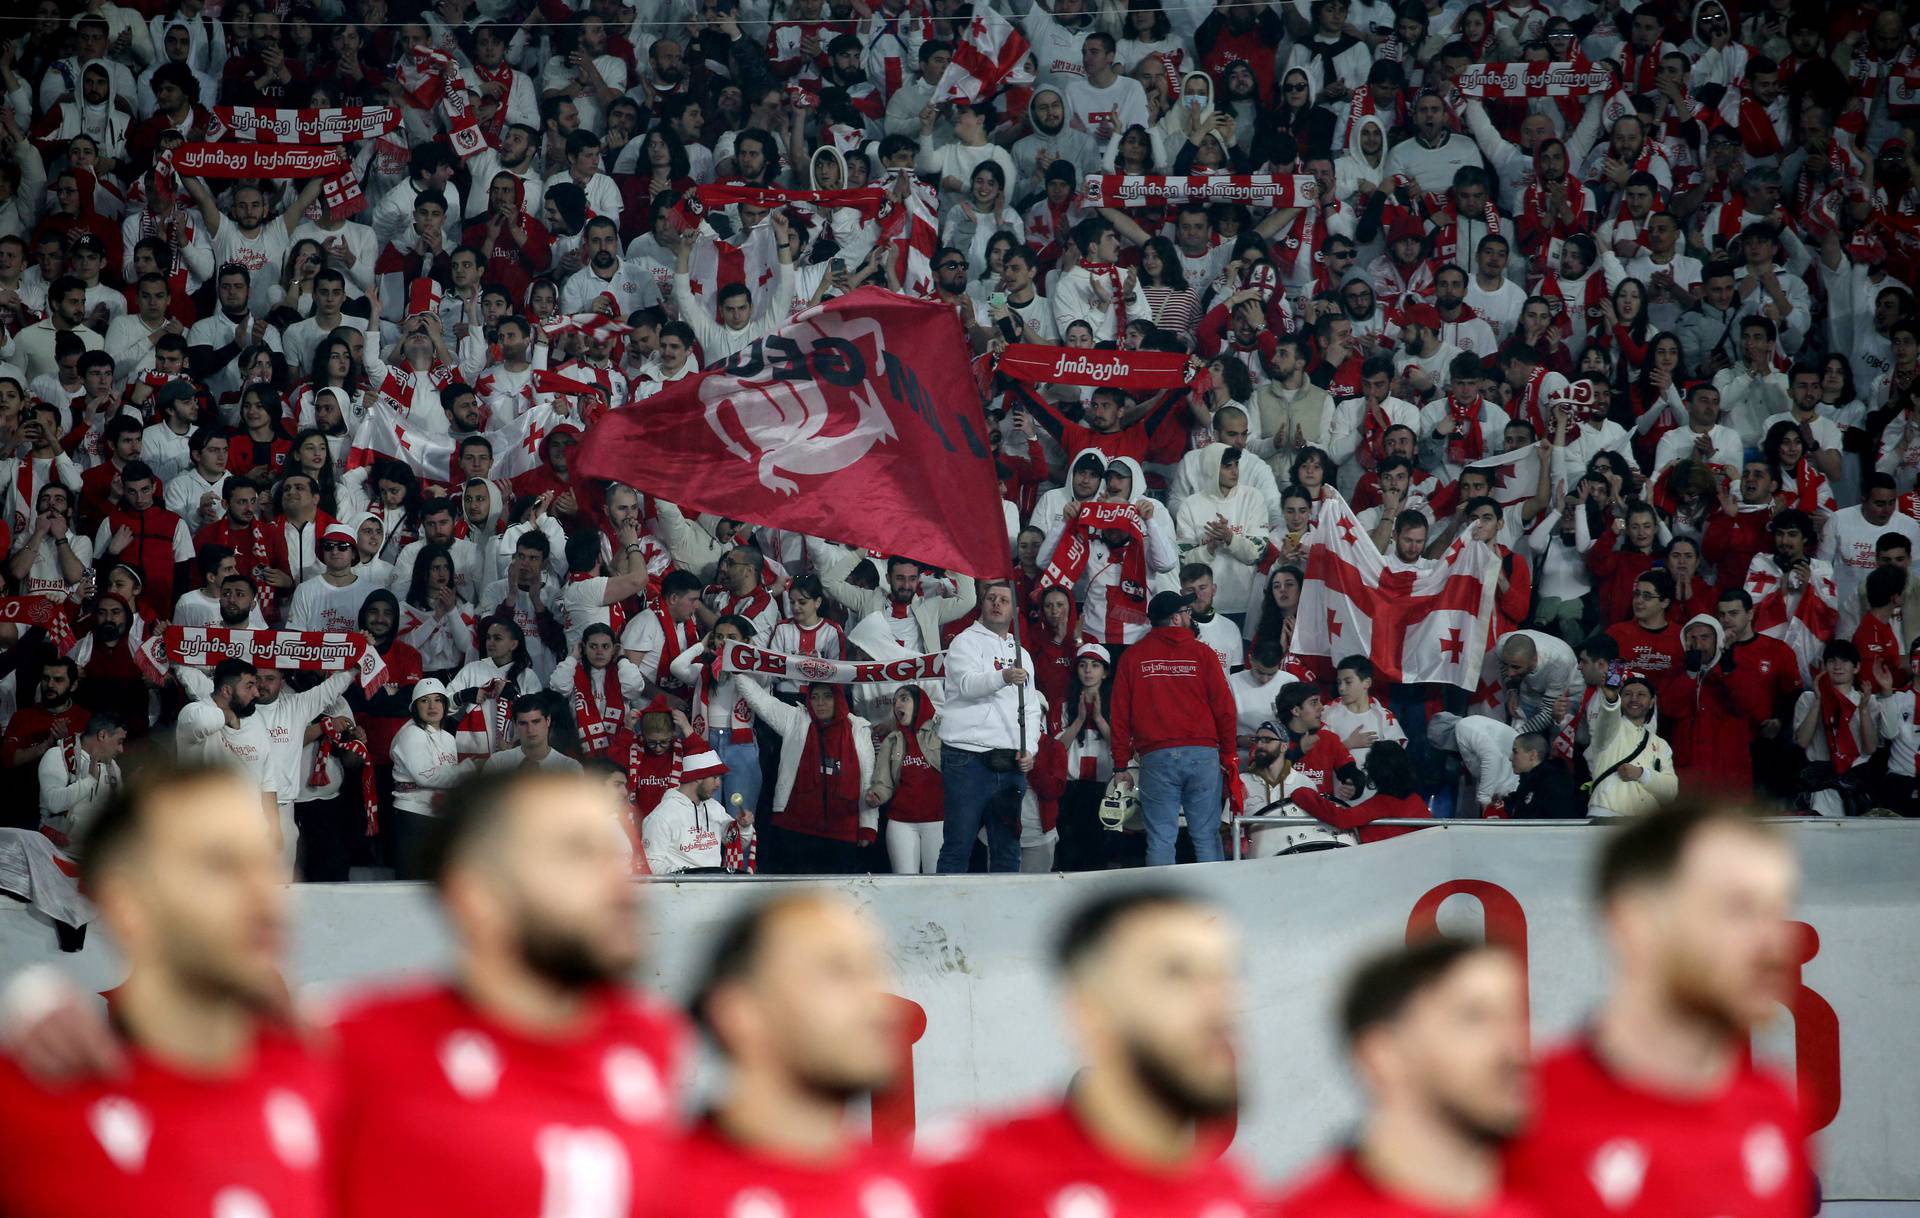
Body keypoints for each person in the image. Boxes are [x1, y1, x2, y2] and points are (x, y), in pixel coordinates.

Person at [0, 761, 333, 1218]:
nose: (265, 894)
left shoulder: (335, 1087)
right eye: (219, 866)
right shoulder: (27, 1119)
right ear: (126, 902)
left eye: (266, 863)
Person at [1505, 802, 1812, 1218]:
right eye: (1738, 909)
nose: (1777, 944)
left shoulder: (1777, 1110)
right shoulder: (1518, 1123)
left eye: (1778, 910)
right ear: (1637, 923)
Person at [926, 888, 1254, 1218]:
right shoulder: (970, 1176)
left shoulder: (1227, 1191)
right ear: (1090, 1010)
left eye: (1225, 977)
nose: (1221, 1006)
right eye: (1177, 975)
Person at [657, 893, 915, 1218]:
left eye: (874, 971)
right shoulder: (651, 1193)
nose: (879, 1006)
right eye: (838, 973)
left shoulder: (912, 1188)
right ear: (741, 1013)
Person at [1274, 939, 1531, 1218]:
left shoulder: (1539, 1206)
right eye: (1474, 1018)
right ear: (1383, 1056)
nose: (1517, 1050)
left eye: (1517, 1017)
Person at [1107, 590, 1237, 866]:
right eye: (1187, 612)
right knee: (1205, 836)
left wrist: (1120, 765)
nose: (1191, 616)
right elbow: (1225, 708)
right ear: (1176, 618)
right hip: (1202, 755)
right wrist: (1228, 754)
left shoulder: (1133, 657)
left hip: (1157, 757)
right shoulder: (1203, 654)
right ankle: (1213, 903)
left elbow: (1119, 714)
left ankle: (1162, 905)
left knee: (1161, 839)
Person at [938, 580, 1045, 874]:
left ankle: (1003, 916)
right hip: (967, 758)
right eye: (991, 598)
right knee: (958, 845)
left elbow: (1032, 707)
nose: (997, 604)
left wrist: (1030, 748)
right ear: (982, 604)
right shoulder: (964, 641)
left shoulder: (1021, 652)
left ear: (1014, 610)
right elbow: (967, 685)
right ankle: (942, 918)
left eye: (1004, 600)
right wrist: (1003, 677)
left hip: (1011, 760)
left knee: (1008, 848)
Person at [641, 733, 743, 874]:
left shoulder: (714, 807)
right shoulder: (661, 816)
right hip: (681, 892)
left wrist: (743, 827)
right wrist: (687, 877)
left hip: (716, 888)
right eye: (714, 777)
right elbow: (651, 863)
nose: (718, 784)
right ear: (698, 778)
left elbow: (734, 842)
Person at [1584, 670, 1678, 817]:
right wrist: (1611, 700)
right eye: (1627, 694)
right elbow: (1608, 717)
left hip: (1643, 825)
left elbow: (1670, 792)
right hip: (1606, 814)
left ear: (1652, 701)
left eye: (1641, 694)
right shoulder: (1610, 729)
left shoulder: (1661, 744)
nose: (1634, 698)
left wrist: (1641, 774)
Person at [1508, 731, 1585, 818]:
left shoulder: (1555, 783)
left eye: (1515, 752)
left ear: (1532, 755)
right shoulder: (1528, 780)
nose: (1510, 758)